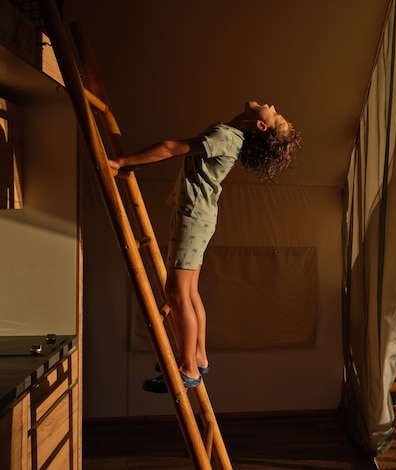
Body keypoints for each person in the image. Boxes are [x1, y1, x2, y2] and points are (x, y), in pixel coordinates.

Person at [108, 101, 301, 392]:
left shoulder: (226, 136)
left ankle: (188, 368)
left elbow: (172, 147)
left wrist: (121, 161)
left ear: (261, 126)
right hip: (199, 217)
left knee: (176, 292)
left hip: (194, 217)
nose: (272, 106)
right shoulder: (230, 135)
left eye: (274, 115)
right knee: (188, 291)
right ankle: (197, 356)